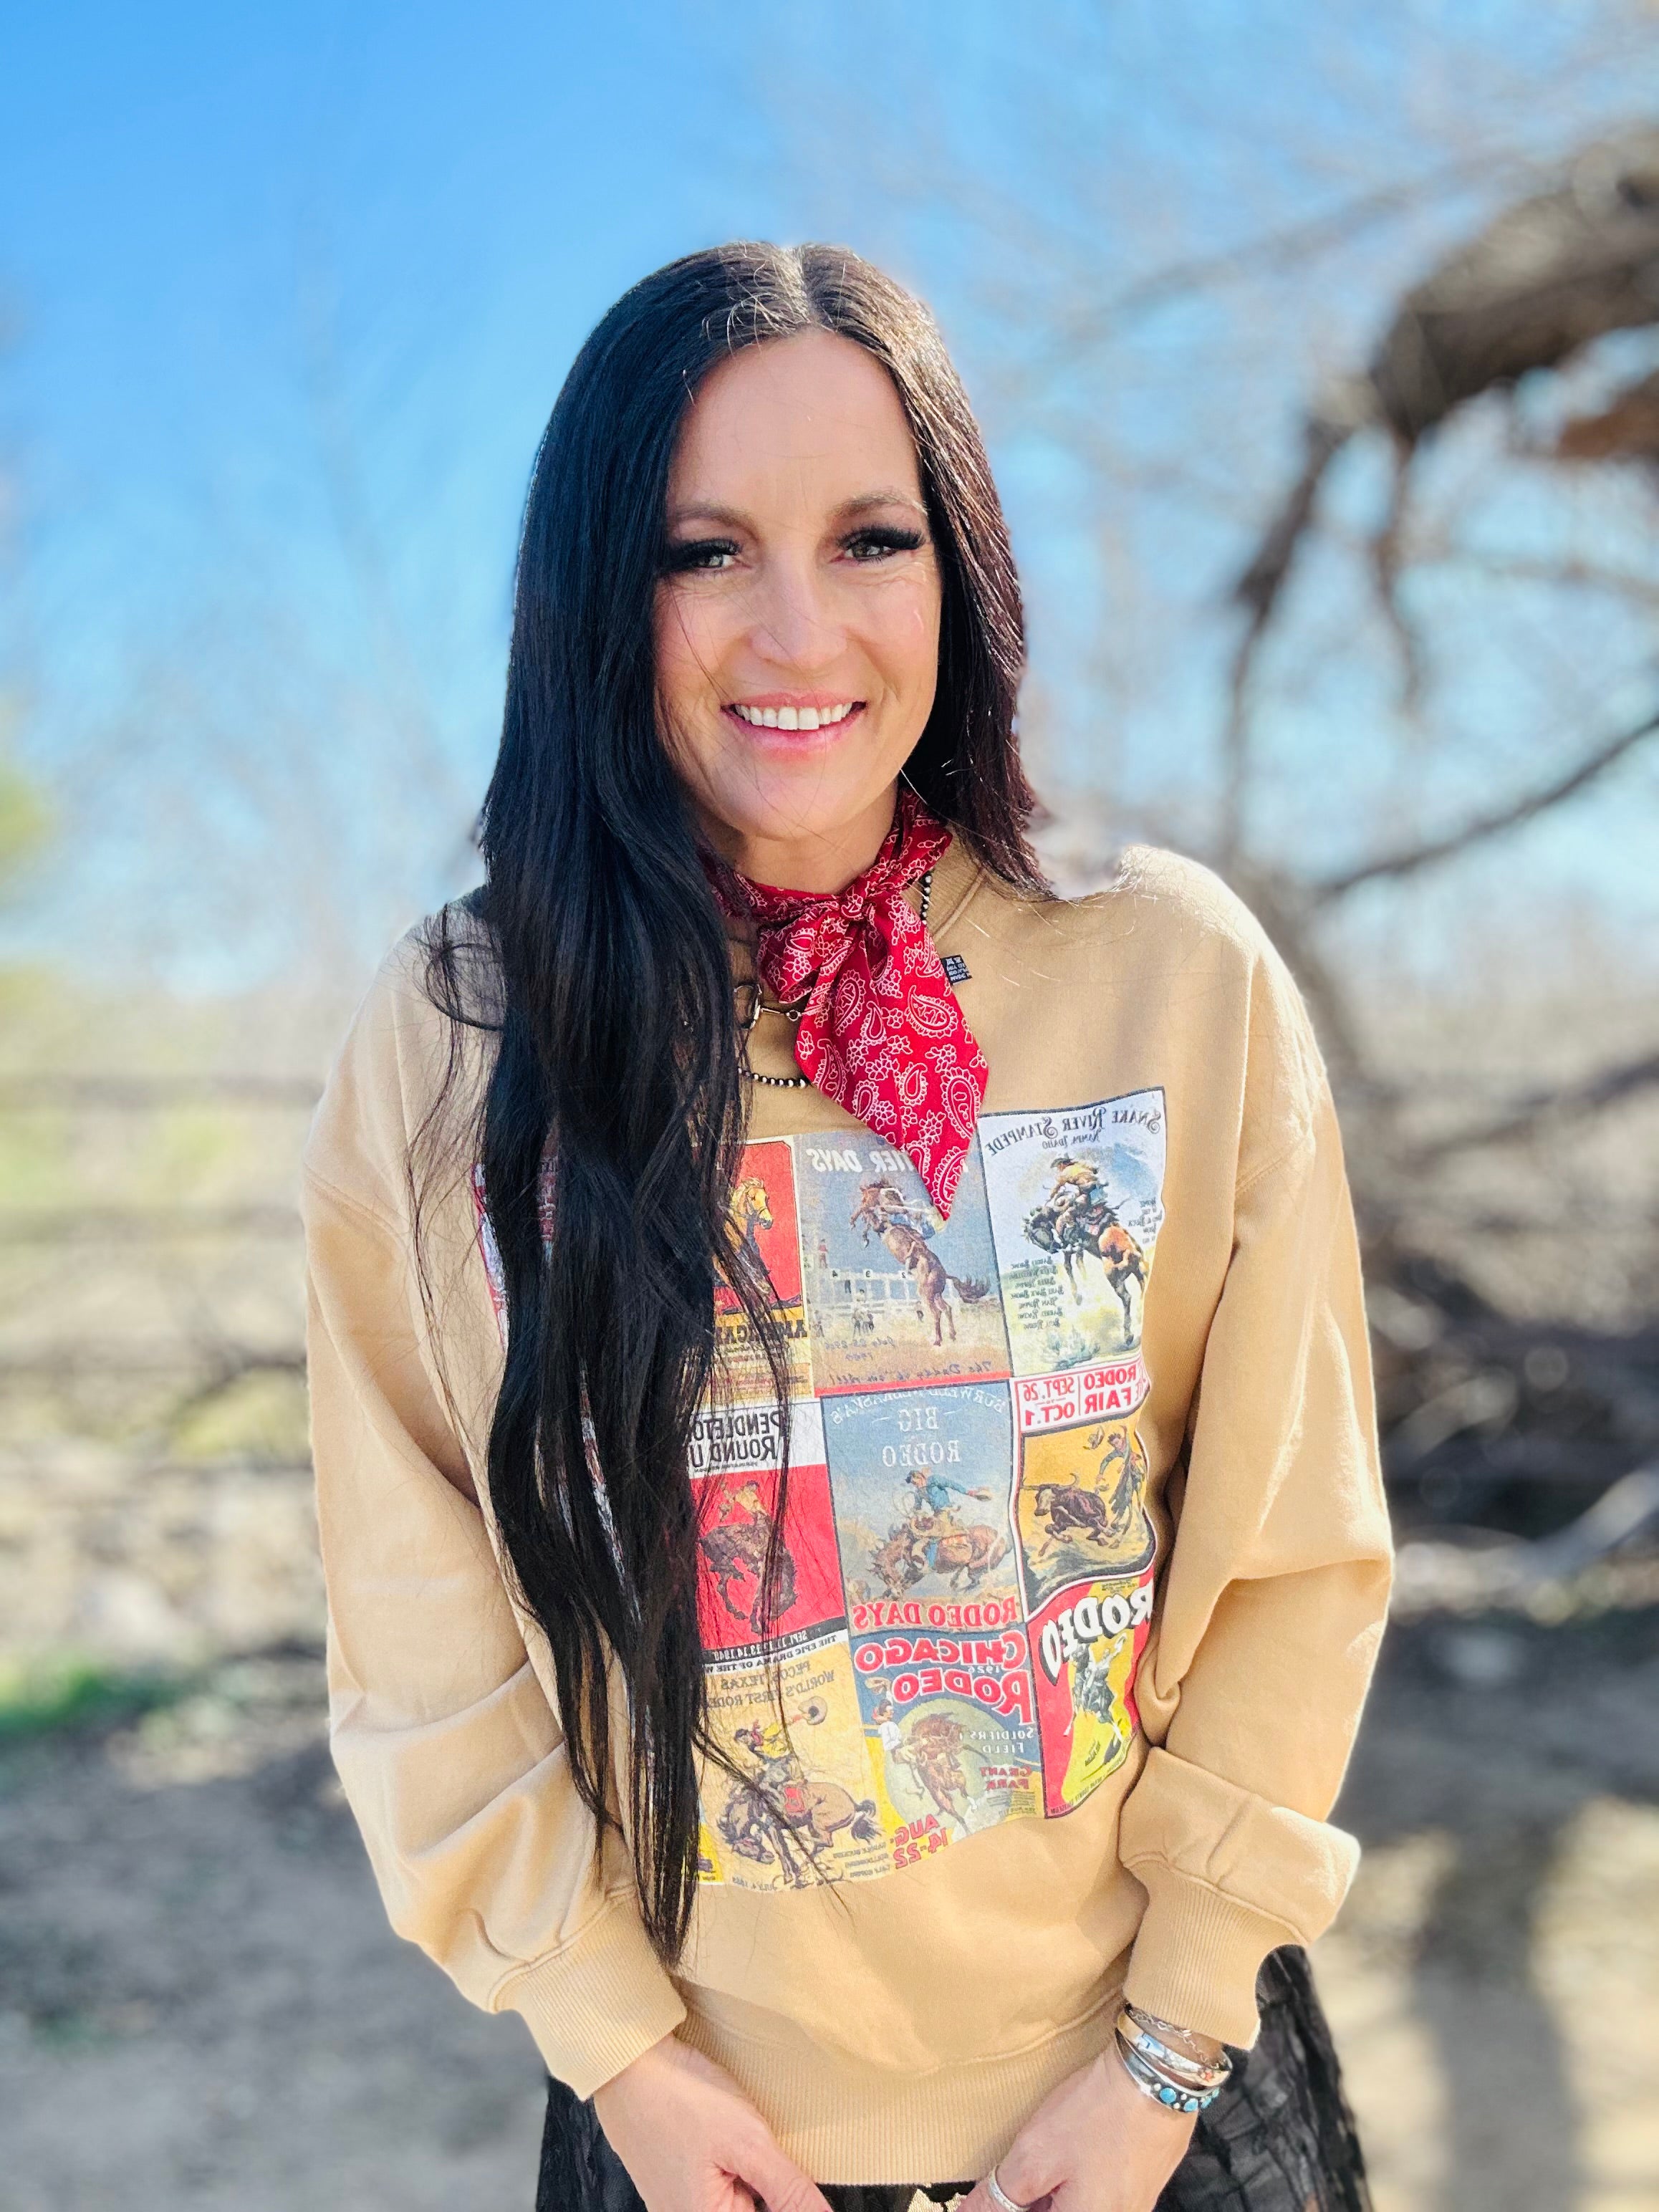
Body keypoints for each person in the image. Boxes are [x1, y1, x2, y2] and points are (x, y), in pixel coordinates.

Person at [302, 243, 1391, 2212]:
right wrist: (617, 2052)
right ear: (594, 593)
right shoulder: (462, 1031)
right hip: (693, 2129)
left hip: (1148, 2104)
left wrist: (1165, 2051)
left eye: (869, 539)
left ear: (956, 569)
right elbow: (412, 1593)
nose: (795, 629)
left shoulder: (1167, 973)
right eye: (703, 551)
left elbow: (1290, 1553)